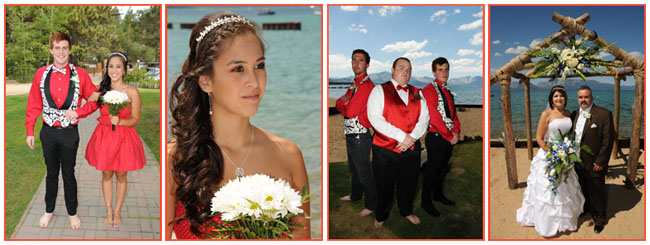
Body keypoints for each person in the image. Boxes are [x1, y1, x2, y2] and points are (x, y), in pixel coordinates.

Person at [166, 12, 310, 239]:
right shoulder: (175, 160)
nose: (255, 82)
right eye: (238, 69)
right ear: (206, 80)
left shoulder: (290, 156)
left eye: (259, 65)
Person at [25, 32, 99, 230]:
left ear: (69, 50)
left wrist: (79, 112)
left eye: (64, 48)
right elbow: (33, 103)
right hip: (48, 132)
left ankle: (72, 212)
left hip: (69, 134)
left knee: (68, 173)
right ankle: (48, 210)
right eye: (57, 47)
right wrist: (30, 130)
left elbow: (95, 99)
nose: (61, 52)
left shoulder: (80, 74)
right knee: (50, 173)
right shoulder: (41, 73)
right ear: (51, 50)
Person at [82, 51, 146, 228]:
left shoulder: (132, 92)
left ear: (124, 69)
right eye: (111, 66)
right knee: (107, 173)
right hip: (104, 137)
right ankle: (108, 210)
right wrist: (91, 96)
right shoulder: (101, 90)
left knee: (121, 174)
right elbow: (87, 103)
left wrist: (120, 121)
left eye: (118, 66)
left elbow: (135, 119)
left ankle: (117, 211)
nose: (114, 70)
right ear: (107, 68)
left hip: (124, 137)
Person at [366, 57, 429, 229]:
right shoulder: (379, 90)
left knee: (409, 184)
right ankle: (381, 215)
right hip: (385, 151)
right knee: (384, 186)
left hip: (411, 150)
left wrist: (412, 138)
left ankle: (406, 211)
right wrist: (402, 137)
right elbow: (375, 119)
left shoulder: (418, 92)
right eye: (401, 68)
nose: (406, 72)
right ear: (392, 70)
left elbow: (424, 118)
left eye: (409, 69)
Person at [516, 85, 584, 237]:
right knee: (548, 189)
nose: (559, 98)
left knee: (566, 187)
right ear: (551, 99)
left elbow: (570, 134)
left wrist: (566, 151)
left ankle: (564, 220)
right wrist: (552, 153)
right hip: (550, 154)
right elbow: (539, 138)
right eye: (556, 96)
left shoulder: (568, 113)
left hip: (565, 153)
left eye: (561, 95)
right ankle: (547, 222)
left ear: (565, 98)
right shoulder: (546, 114)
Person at [335, 49, 376, 217]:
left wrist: (345, 104)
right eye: (354, 60)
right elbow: (339, 103)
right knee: (354, 169)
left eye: (360, 60)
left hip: (360, 136)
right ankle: (355, 196)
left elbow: (350, 111)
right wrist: (344, 103)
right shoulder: (355, 84)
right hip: (351, 133)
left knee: (364, 172)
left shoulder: (366, 86)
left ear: (367, 64)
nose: (356, 63)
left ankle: (372, 204)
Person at [420, 57, 460, 217]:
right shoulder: (428, 90)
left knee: (441, 170)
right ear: (434, 72)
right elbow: (434, 117)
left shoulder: (447, 91)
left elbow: (453, 115)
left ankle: (438, 195)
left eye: (446, 69)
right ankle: (425, 202)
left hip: (449, 137)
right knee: (431, 171)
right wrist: (449, 136)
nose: (444, 72)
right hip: (437, 137)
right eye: (440, 69)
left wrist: (456, 132)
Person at [571, 85, 614, 234]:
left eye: (586, 97)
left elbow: (608, 140)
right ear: (578, 99)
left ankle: (600, 219)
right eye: (581, 97)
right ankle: (586, 209)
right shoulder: (574, 114)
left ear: (592, 97)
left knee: (597, 191)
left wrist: (601, 161)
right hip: (577, 160)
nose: (583, 100)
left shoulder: (604, 114)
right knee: (582, 187)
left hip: (595, 161)